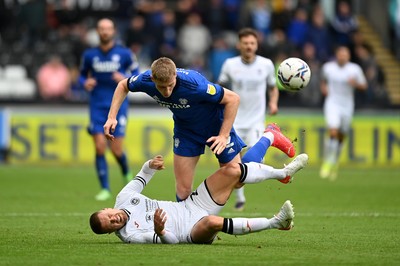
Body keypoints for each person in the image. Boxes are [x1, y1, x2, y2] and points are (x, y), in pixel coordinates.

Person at [104, 57, 295, 203]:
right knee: (183, 190)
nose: (167, 92)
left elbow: (233, 99)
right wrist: (112, 116)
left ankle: (269, 136)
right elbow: (123, 85)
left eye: (170, 85)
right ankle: (188, 228)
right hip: (186, 131)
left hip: (215, 126)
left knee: (236, 180)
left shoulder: (194, 85)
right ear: (153, 79)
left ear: (175, 76)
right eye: (162, 87)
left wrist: (223, 135)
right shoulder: (145, 80)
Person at [89, 152, 309, 244]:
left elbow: (142, 177)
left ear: (108, 209)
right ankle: (276, 222)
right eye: (110, 226)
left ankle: (284, 173)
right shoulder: (131, 235)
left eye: (109, 216)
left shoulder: (124, 197)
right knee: (212, 223)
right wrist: (160, 231)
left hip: (190, 206)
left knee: (232, 170)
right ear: (111, 232)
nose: (114, 220)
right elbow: (173, 243)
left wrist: (150, 165)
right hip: (190, 231)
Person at [218, 28, 282, 211]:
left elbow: (273, 87)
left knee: (255, 161)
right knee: (234, 161)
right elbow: (219, 87)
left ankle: (238, 190)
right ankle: (240, 196)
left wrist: (274, 103)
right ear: (239, 45)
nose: (248, 46)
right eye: (245, 43)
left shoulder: (266, 64)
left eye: (252, 43)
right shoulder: (230, 64)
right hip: (234, 120)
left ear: (256, 45)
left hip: (255, 120)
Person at [79, 18, 140, 201]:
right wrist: (85, 82)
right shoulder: (90, 55)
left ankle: (126, 172)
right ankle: (105, 188)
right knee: (99, 147)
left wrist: (125, 77)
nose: (105, 32)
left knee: (116, 150)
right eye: (102, 29)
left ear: (113, 31)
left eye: (108, 29)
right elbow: (81, 76)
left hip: (118, 106)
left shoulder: (124, 53)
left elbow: (137, 75)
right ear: (97, 32)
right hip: (97, 106)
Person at [319, 46, 367, 180]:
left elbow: (364, 86)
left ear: (349, 56)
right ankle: (328, 162)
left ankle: (335, 161)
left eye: (345, 55)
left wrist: (355, 84)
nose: (342, 57)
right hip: (332, 104)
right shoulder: (328, 67)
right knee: (333, 132)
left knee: (341, 136)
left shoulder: (355, 69)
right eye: (340, 54)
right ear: (336, 55)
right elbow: (323, 81)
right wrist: (324, 88)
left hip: (347, 106)